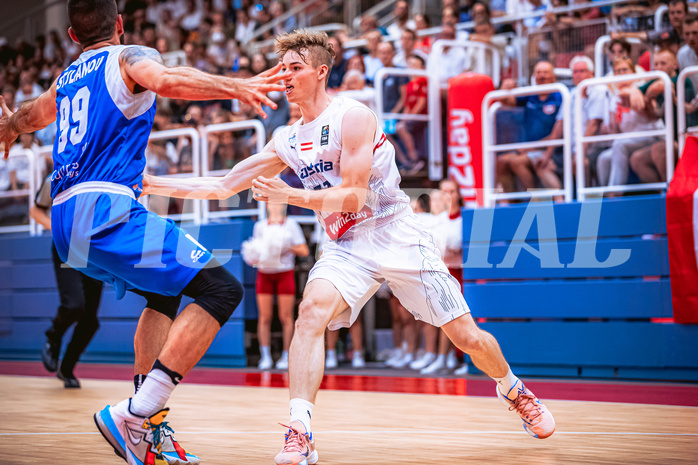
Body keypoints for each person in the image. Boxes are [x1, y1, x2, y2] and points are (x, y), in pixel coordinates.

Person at [143, 30, 556, 465]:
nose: (284, 76)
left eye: (294, 68)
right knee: (309, 314)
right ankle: (300, 431)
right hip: (346, 245)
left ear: (321, 72)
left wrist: (293, 198)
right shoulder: (287, 138)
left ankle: (512, 387)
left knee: (467, 337)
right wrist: (152, 184)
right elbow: (224, 185)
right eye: (282, 68)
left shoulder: (352, 116)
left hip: (396, 233)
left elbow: (355, 195)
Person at [0, 0, 285, 463]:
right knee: (221, 290)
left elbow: (32, 116)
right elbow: (168, 80)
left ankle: (145, 429)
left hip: (65, 222)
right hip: (105, 209)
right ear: (118, 23)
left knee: (166, 292)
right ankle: (137, 412)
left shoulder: (67, 79)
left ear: (73, 36)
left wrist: (8, 125)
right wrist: (237, 85)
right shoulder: (128, 56)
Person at [32, 175, 104, 389]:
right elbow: (36, 211)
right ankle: (53, 338)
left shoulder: (103, 170)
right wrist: (57, 229)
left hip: (95, 250)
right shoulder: (57, 177)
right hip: (66, 247)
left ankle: (67, 368)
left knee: (90, 320)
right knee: (73, 305)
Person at [243, 203, 309, 370]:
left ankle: (286, 355)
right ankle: (265, 356)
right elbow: (256, 249)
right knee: (264, 317)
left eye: (278, 202)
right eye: (271, 202)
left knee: (285, 317)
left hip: (284, 272)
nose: (274, 205)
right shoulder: (259, 226)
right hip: (264, 273)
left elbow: (304, 250)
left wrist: (285, 247)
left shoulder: (291, 224)